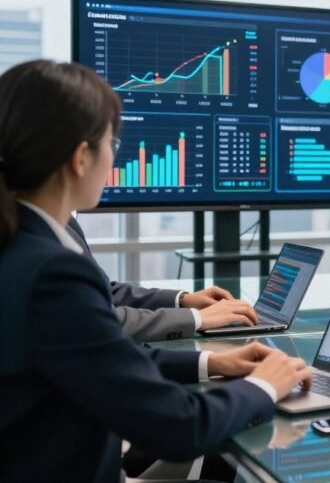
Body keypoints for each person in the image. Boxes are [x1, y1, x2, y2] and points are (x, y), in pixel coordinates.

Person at [0, 60, 313, 481]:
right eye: (112, 142)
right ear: (80, 157)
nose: (114, 156)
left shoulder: (18, 244)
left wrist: (212, 363)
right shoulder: (52, 274)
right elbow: (180, 427)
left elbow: (98, 359)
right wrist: (265, 386)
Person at [66, 217, 261, 342]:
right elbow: (99, 321)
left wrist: (183, 300)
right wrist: (197, 318)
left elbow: (108, 292)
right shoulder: (52, 242)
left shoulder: (67, 224)